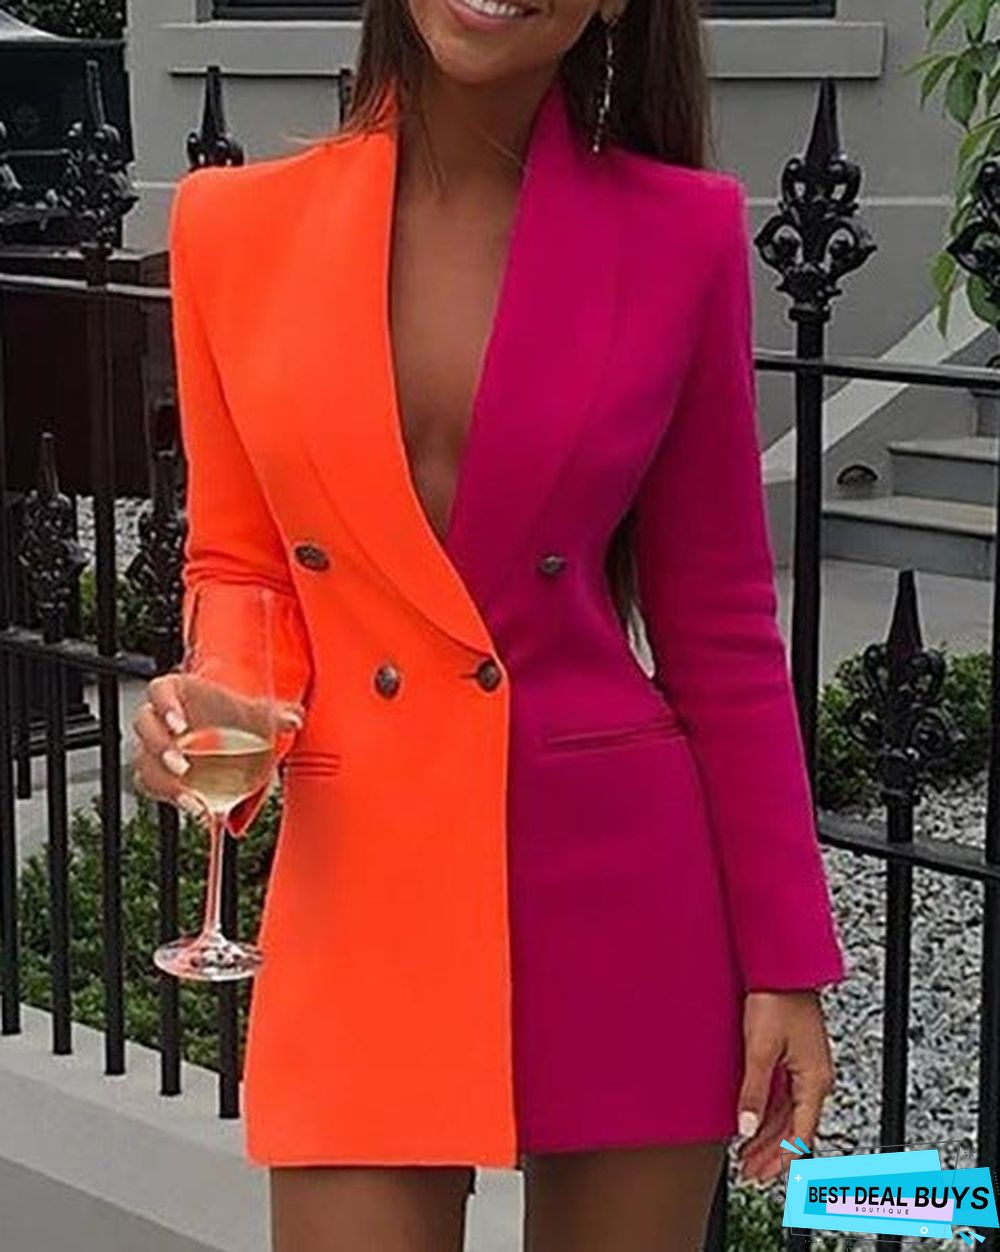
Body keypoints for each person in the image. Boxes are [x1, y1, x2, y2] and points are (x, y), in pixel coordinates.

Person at [130, 0, 848, 1244]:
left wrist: (787, 961)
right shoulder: (230, 226)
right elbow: (241, 565)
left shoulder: (682, 233)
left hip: (621, 886)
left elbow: (722, 620)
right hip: (363, 882)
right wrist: (224, 708)